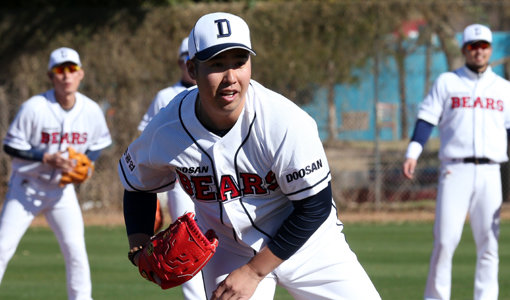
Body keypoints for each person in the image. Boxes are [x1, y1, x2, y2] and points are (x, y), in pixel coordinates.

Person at [119, 12, 380, 300]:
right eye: (217, 64)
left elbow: (314, 207)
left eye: (239, 62)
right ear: (192, 69)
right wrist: (139, 245)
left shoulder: (284, 121)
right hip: (228, 249)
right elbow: (137, 185)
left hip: (308, 245)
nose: (231, 77)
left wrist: (255, 272)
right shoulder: (168, 128)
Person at [402, 24, 510, 300]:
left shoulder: (503, 89)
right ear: (464, 49)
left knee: (489, 244)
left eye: (483, 46)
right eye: (473, 46)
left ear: (490, 49)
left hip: (491, 171)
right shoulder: (447, 82)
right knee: (446, 241)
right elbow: (427, 118)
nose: (479, 51)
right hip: (455, 169)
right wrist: (413, 152)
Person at [0, 47, 112, 300]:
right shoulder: (34, 107)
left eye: (71, 69)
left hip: (62, 192)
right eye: (60, 71)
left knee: (75, 251)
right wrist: (45, 157)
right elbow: (11, 145)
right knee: (2, 247)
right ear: (51, 76)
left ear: (80, 74)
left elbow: (99, 143)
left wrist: (88, 162)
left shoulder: (91, 110)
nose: (66, 76)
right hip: (26, 187)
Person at [137, 37, 204, 300]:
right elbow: (146, 138)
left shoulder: (220, 94)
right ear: (182, 63)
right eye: (186, 58)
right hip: (180, 184)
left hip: (219, 182)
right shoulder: (165, 96)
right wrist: (154, 191)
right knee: (185, 249)